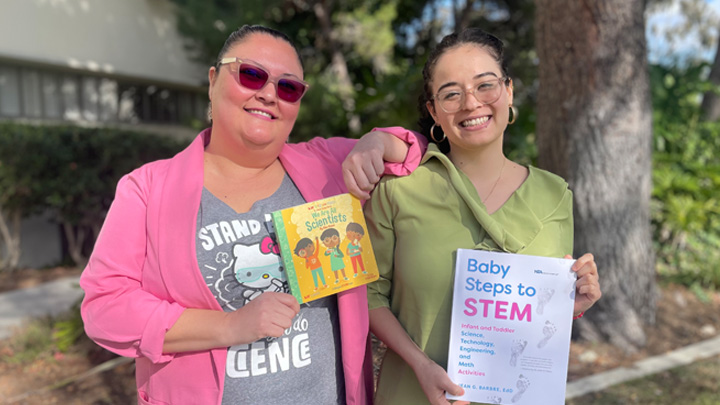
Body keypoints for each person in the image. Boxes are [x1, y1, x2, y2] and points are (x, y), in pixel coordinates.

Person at [79, 25, 425, 405]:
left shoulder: (326, 165)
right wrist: (230, 326)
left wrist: (378, 140)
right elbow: (105, 308)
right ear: (213, 81)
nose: (269, 94)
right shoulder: (147, 189)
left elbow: (413, 150)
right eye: (251, 74)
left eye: (288, 87)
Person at [365, 28, 602, 405]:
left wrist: (570, 305)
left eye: (485, 85)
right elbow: (369, 293)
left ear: (508, 91)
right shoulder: (399, 189)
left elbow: (541, 308)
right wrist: (419, 364)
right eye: (451, 93)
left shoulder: (554, 194)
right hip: (412, 393)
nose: (471, 103)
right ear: (433, 112)